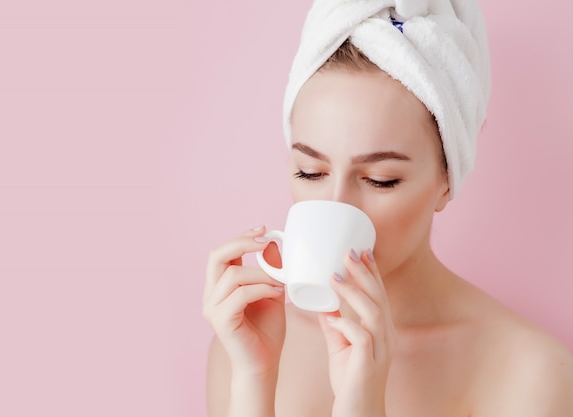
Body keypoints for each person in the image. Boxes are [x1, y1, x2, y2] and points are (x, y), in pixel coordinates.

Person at [202, 1, 573, 416]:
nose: (335, 205)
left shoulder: (529, 371)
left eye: (380, 180)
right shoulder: (248, 344)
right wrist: (254, 380)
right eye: (310, 172)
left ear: (446, 180)